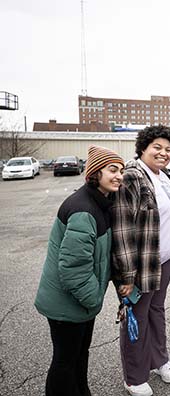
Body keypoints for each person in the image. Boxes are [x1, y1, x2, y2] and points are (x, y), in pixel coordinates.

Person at [35, 145, 124, 396]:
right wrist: (93, 298)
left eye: (121, 170)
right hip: (68, 302)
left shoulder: (102, 201)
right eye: (112, 170)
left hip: (80, 302)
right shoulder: (84, 210)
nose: (119, 175)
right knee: (64, 361)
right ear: (95, 174)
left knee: (79, 355)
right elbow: (73, 268)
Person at [111, 125, 170, 396]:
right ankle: (134, 375)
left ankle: (159, 359)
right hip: (140, 264)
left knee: (156, 311)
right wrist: (126, 275)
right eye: (157, 147)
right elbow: (122, 228)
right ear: (143, 147)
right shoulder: (132, 176)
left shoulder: (163, 175)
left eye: (168, 149)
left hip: (163, 260)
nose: (163, 153)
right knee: (136, 317)